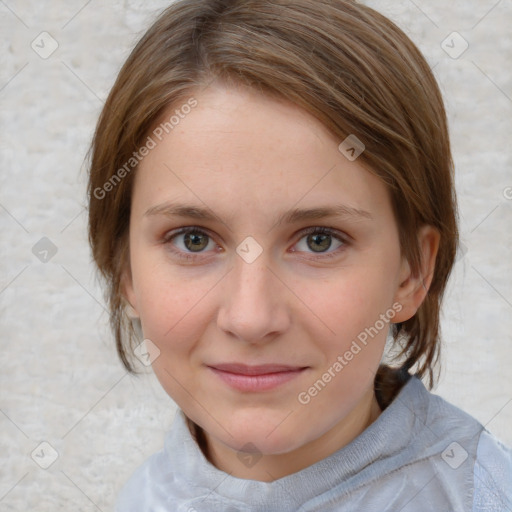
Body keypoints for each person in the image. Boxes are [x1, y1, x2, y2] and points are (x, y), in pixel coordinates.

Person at [86, 1, 512, 510]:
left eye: (319, 240)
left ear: (412, 272)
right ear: (125, 270)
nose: (250, 318)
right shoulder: (140, 499)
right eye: (194, 239)